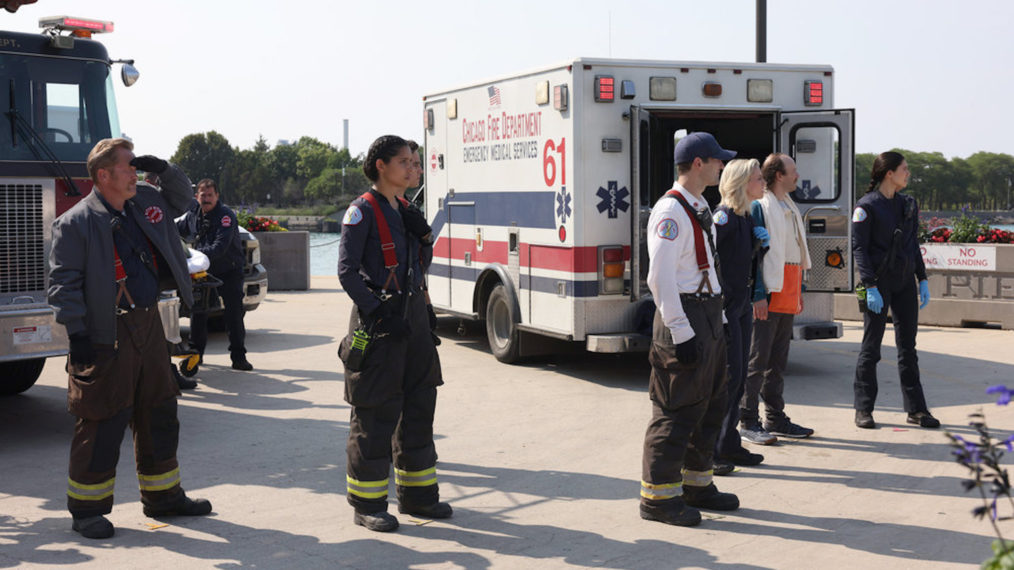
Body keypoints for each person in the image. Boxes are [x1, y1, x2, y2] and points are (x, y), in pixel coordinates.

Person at [48, 138, 212, 539]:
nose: (135, 173)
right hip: (107, 333)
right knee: (102, 418)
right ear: (103, 175)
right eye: (127, 167)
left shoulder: (145, 204)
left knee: (159, 410)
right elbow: (62, 285)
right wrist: (79, 334)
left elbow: (181, 199)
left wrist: (167, 169)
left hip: (148, 325)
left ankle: (164, 497)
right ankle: (87, 510)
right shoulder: (74, 223)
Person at [337, 135, 449, 533]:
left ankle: (418, 495)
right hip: (380, 324)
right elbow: (347, 271)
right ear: (380, 165)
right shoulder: (361, 211)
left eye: (415, 163)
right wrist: (378, 311)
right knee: (375, 413)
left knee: (420, 406)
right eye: (404, 162)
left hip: (414, 319)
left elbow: (420, 266)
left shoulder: (407, 209)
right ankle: (367, 503)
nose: (413, 169)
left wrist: (424, 238)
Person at [640, 132, 740, 528]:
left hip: (709, 314)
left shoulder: (699, 206)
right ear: (698, 163)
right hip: (684, 315)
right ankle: (658, 499)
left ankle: (697, 484)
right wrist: (681, 333)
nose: (722, 165)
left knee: (710, 405)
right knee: (675, 411)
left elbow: (708, 269)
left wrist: (722, 324)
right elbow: (660, 278)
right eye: (717, 160)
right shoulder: (671, 212)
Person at [852, 151, 938, 429]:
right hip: (877, 284)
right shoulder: (866, 207)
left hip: (904, 284)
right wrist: (869, 285)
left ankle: (917, 409)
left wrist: (922, 279)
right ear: (889, 173)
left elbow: (912, 245)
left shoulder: (908, 205)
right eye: (904, 169)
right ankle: (863, 409)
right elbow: (860, 249)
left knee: (908, 348)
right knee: (871, 347)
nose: (908, 173)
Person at [740, 153, 815, 445]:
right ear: (779, 175)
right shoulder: (761, 206)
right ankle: (748, 419)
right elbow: (758, 257)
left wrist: (800, 291)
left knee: (778, 361)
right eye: (793, 170)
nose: (797, 175)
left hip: (788, 290)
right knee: (757, 360)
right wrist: (758, 294)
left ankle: (775, 417)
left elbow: (794, 251)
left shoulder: (788, 205)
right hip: (769, 293)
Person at [712, 159, 768, 472]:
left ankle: (729, 444)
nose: (762, 183)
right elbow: (709, 263)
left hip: (742, 302)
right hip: (726, 304)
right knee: (728, 378)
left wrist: (760, 245)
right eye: (758, 179)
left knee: (740, 377)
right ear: (742, 183)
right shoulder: (724, 218)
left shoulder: (745, 218)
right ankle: (713, 450)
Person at [177, 179, 252, 371]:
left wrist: (195, 256)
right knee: (198, 313)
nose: (207, 199)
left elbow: (220, 247)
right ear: (197, 196)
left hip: (229, 271)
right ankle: (196, 355)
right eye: (203, 195)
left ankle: (238, 357)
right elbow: (175, 230)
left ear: (217, 196)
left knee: (233, 314)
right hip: (205, 271)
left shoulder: (225, 216)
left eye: (210, 195)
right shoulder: (192, 215)